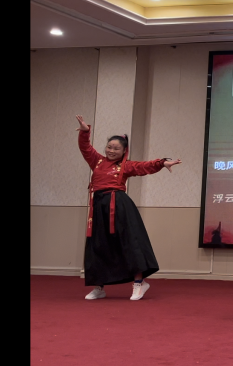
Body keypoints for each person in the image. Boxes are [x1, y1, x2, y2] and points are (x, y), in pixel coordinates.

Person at [75, 115, 181, 301]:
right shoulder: (97, 161)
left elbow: (144, 166)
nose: (111, 151)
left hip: (119, 206)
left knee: (129, 243)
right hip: (98, 207)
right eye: (109, 147)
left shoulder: (125, 166)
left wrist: (162, 163)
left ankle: (139, 283)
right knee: (98, 245)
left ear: (124, 151)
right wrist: (85, 132)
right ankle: (99, 287)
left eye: (116, 148)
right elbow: (85, 148)